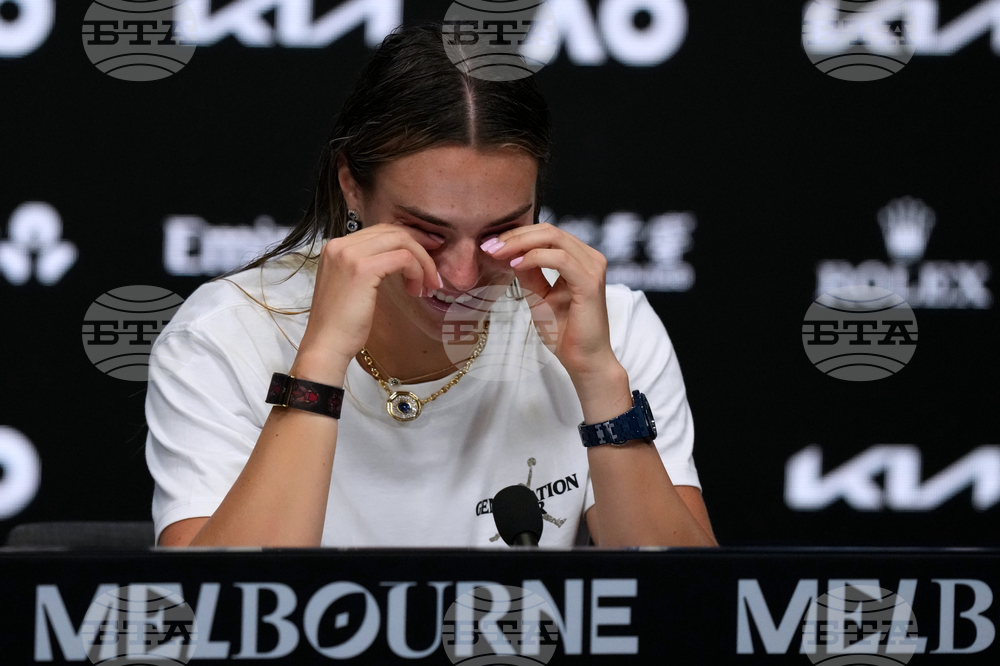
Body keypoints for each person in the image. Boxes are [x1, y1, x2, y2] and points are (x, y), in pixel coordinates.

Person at [146, 23, 717, 549]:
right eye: (427, 232)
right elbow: (216, 610)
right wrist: (319, 363)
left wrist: (597, 380)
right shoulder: (224, 335)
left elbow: (688, 608)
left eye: (500, 231)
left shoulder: (607, 330)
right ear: (351, 185)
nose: (462, 276)